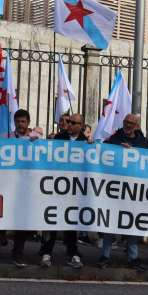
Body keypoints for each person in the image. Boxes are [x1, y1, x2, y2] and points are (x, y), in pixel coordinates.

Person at [0, 109, 37, 267]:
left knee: (21, 222)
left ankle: (18, 254)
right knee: (0, 220)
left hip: (25, 186)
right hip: (6, 185)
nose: (20, 124)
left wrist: (36, 143)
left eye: (23, 122)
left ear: (28, 123)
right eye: (17, 121)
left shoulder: (35, 138)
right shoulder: (6, 137)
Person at [96, 113, 148, 272]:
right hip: (114, 188)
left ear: (137, 126)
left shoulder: (143, 142)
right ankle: (105, 255)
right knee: (110, 222)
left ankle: (132, 257)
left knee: (131, 223)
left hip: (133, 190)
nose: (128, 125)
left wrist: (133, 153)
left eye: (131, 123)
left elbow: (147, 162)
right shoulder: (114, 139)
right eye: (126, 122)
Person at [38, 113, 89, 269]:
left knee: (71, 222)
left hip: (74, 189)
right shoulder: (59, 139)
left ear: (81, 126)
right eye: (67, 121)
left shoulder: (85, 142)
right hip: (57, 186)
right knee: (52, 220)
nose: (68, 124)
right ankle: (46, 252)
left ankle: (73, 253)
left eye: (72, 122)